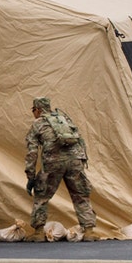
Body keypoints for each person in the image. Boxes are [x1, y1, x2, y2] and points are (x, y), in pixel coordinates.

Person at [24, 97, 100, 241]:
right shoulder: (64, 119)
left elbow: (32, 153)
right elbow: (80, 141)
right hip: (75, 161)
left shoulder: (37, 124)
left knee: (41, 197)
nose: (33, 113)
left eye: (33, 110)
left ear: (38, 109)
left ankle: (39, 233)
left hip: (53, 163)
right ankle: (89, 231)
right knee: (80, 195)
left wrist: (31, 176)